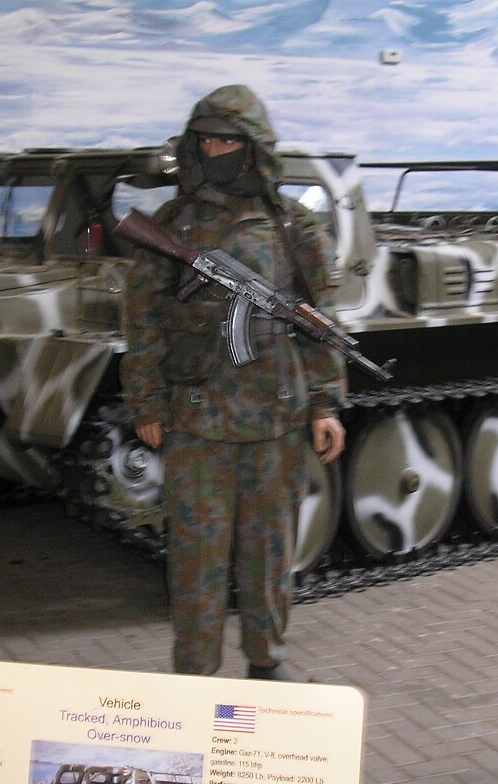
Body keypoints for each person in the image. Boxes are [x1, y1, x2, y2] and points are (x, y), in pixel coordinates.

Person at [121, 84, 347, 681]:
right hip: (197, 419)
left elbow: (319, 321)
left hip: (277, 419)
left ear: (254, 148)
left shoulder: (291, 224)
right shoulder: (173, 225)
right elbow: (142, 320)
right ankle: (194, 672)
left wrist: (325, 403)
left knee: (269, 552)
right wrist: (146, 401)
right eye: (205, 141)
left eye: (228, 141)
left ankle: (266, 662)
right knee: (195, 557)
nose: (214, 151)